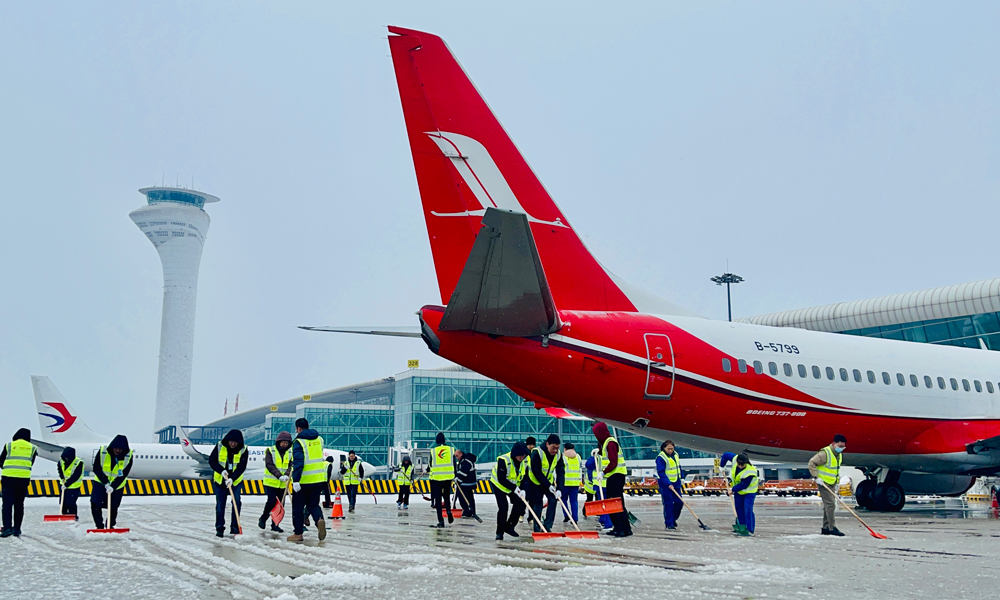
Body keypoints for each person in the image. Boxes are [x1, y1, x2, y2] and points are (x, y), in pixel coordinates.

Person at [288, 418, 327, 542]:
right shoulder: (319, 439)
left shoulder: (299, 442)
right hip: (318, 479)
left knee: (298, 507)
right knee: (313, 504)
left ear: (298, 429)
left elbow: (299, 463)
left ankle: (298, 534)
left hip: (304, 480)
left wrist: (296, 480)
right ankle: (319, 520)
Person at [593, 422, 632, 537]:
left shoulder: (610, 443)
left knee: (613, 503)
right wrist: (599, 452)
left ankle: (619, 528)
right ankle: (625, 528)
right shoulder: (609, 442)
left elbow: (613, 462)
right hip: (617, 476)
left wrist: (603, 472)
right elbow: (610, 455)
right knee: (618, 502)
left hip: (614, 476)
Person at [210, 429, 248, 537]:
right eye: (231, 441)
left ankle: (235, 528)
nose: (232, 444)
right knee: (220, 505)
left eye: (235, 442)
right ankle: (219, 529)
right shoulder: (219, 446)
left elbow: (242, 466)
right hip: (220, 481)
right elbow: (212, 461)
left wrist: (233, 477)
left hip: (235, 482)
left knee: (236, 503)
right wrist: (221, 471)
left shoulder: (243, 449)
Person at [90, 434, 133, 530]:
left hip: (117, 485)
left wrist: (113, 486)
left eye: (120, 449)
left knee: (113, 506)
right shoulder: (103, 452)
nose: (117, 451)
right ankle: (99, 526)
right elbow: (96, 468)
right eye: (116, 448)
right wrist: (105, 482)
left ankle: (110, 525)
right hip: (100, 483)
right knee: (95, 503)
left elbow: (124, 473)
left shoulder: (128, 456)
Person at [809, 434, 847, 536]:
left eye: (843, 447)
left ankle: (825, 527)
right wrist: (816, 477)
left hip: (832, 483)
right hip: (823, 483)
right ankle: (832, 528)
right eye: (840, 446)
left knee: (828, 505)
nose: (841, 449)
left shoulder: (838, 455)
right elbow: (811, 463)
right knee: (831, 505)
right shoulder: (825, 453)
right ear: (834, 444)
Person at [1, 428, 36, 537]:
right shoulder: (32, 448)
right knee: (19, 504)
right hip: (23, 479)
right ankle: (17, 529)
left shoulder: (9, 445)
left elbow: (1, 461)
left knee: (7, 504)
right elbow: (31, 462)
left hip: (8, 477)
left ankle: (7, 529)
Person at [490, 441, 529, 540]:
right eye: (520, 455)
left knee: (519, 504)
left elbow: (525, 476)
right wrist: (514, 488)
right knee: (503, 508)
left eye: (524, 455)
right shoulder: (504, 460)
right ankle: (500, 532)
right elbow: (501, 479)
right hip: (499, 485)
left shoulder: (525, 460)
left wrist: (523, 489)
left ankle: (510, 526)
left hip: (514, 486)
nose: (522, 457)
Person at [527, 434, 564, 533]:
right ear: (547, 444)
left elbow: (561, 472)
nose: (555, 450)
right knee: (538, 504)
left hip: (549, 482)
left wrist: (560, 488)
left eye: (557, 448)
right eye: (553, 447)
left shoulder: (559, 455)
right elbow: (536, 471)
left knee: (553, 500)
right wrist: (548, 485)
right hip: (535, 482)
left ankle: (547, 526)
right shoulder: (537, 453)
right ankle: (537, 527)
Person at [259, 431, 292, 533]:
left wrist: (287, 475)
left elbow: (291, 465)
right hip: (271, 482)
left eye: (287, 443)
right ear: (278, 442)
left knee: (280, 504)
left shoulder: (291, 452)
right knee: (272, 502)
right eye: (283, 442)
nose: (284, 445)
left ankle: (275, 524)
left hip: (283, 484)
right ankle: (263, 518)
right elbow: (269, 465)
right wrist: (279, 475)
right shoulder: (270, 450)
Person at [656, 440, 684, 530]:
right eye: (668, 449)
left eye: (672, 448)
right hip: (665, 484)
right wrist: (668, 483)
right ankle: (669, 523)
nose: (670, 450)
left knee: (679, 502)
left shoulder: (675, 455)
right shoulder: (661, 458)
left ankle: (673, 518)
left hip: (676, 482)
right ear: (664, 448)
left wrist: (682, 477)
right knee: (668, 504)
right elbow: (661, 472)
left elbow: (678, 467)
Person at [429, 432, 455, 528]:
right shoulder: (451, 449)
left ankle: (441, 520)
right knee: (447, 496)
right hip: (448, 477)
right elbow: (454, 463)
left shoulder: (434, 451)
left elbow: (430, 464)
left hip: (437, 478)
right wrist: (454, 475)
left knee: (438, 500)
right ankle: (448, 511)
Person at [730, 453, 759, 534]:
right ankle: (741, 527)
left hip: (749, 492)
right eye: (739, 464)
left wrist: (733, 489)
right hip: (739, 492)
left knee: (747, 510)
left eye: (742, 464)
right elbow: (725, 455)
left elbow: (744, 484)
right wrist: (722, 466)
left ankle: (750, 529)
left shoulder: (751, 471)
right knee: (739, 509)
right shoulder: (735, 460)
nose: (740, 466)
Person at [586, 453, 612, 529]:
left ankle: (606, 523)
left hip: (600, 484)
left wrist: (593, 456)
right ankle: (604, 521)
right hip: (609, 483)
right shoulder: (611, 455)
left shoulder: (597, 457)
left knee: (603, 504)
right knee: (608, 504)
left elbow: (588, 465)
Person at [58, 446, 83, 519]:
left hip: (74, 486)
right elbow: (60, 470)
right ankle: (63, 515)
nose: (66, 459)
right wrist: (62, 478)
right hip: (63, 485)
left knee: (71, 503)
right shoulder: (61, 461)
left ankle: (73, 516)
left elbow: (76, 475)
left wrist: (67, 484)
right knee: (63, 502)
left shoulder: (78, 462)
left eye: (67, 457)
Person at [560, 443, 581, 523]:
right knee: (574, 501)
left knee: (563, 500)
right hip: (575, 482)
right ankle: (575, 518)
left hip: (565, 483)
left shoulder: (563, 457)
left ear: (565, 449)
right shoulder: (578, 457)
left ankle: (567, 515)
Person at [455, 449, 478, 518]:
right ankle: (472, 511)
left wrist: (458, 480)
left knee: (462, 496)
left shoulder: (466, 462)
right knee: (470, 497)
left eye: (457, 456)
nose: (456, 458)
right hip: (469, 483)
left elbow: (463, 473)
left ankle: (467, 512)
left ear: (461, 454)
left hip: (467, 483)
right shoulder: (464, 461)